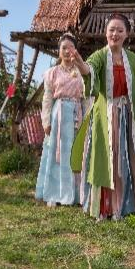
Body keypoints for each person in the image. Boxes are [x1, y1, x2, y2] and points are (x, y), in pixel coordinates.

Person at [73, 13, 135, 220]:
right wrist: (81, 66)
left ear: (127, 34)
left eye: (120, 30)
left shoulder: (133, 60)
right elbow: (90, 70)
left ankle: (124, 206)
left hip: (126, 116)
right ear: (105, 32)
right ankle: (104, 208)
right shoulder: (100, 56)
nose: (115, 34)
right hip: (104, 118)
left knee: (124, 160)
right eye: (111, 29)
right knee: (104, 159)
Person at [35, 33, 86, 206]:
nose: (67, 51)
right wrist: (46, 121)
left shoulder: (81, 72)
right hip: (59, 115)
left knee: (75, 153)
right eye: (63, 47)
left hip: (77, 115)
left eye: (70, 47)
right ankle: (54, 193)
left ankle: (76, 195)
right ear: (59, 51)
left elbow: (86, 97)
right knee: (56, 153)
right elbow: (47, 98)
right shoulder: (52, 73)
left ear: (75, 50)